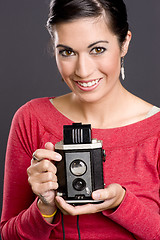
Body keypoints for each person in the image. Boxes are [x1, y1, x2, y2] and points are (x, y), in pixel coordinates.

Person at [1, 0, 160, 239]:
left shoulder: (156, 130)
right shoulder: (31, 119)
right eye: (67, 52)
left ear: (124, 42)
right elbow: (9, 235)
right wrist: (44, 207)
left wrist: (122, 203)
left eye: (97, 49)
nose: (83, 71)